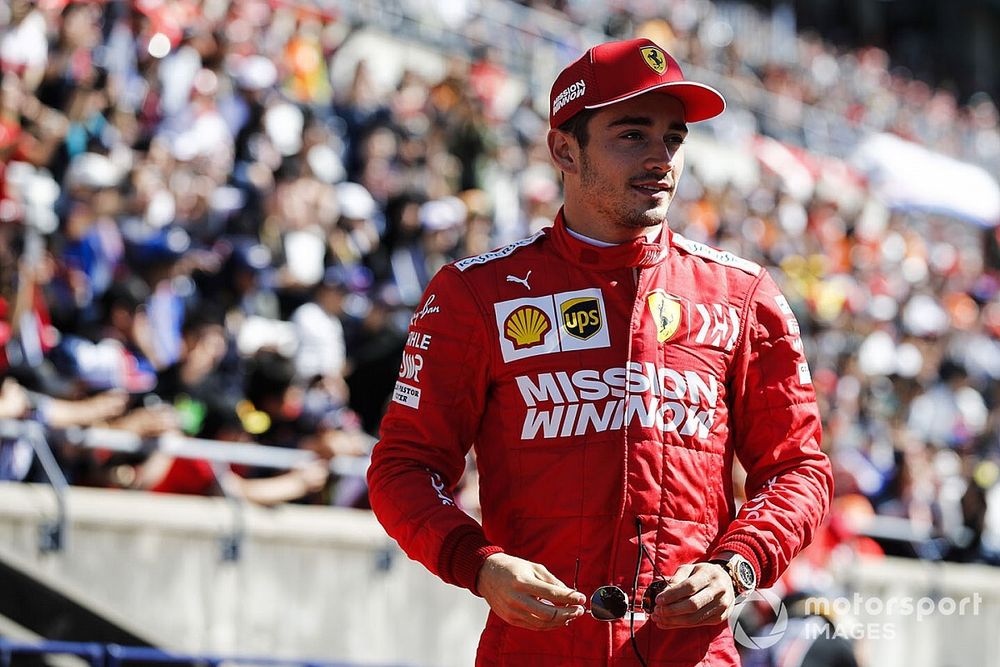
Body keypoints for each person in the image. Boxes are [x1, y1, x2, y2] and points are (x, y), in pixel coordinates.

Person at [367, 38, 833, 666]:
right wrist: (478, 565)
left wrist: (738, 566)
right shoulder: (476, 294)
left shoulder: (743, 294)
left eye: (673, 139)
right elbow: (403, 466)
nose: (660, 159)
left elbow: (799, 469)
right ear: (565, 149)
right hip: (534, 653)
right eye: (632, 135)